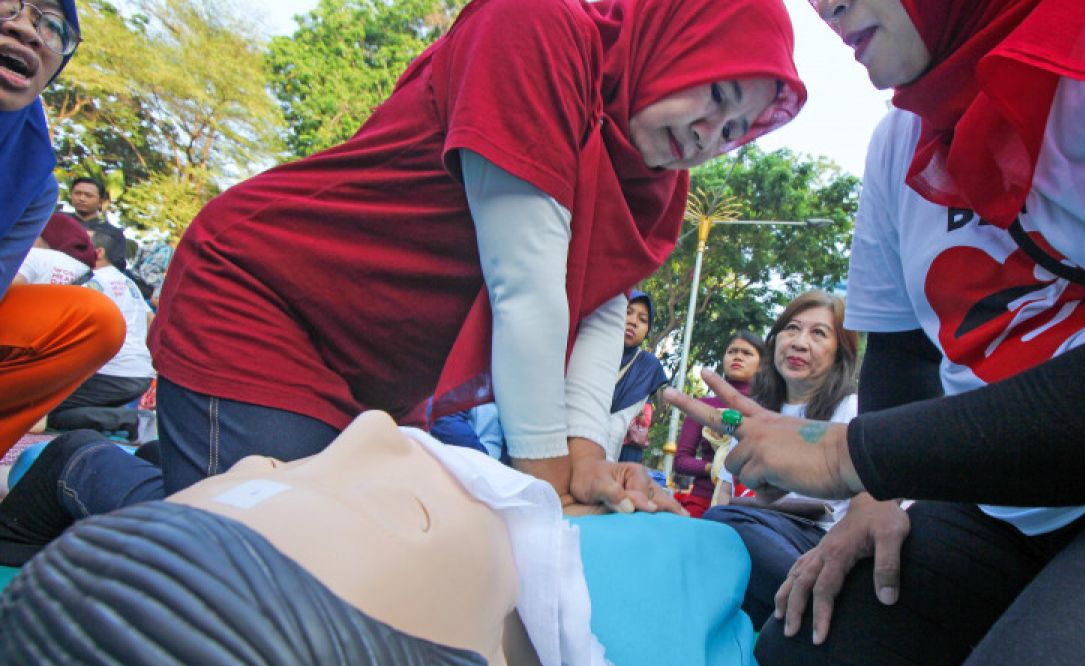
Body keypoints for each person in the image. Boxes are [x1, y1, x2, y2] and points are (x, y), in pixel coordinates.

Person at [667, 0, 1085, 666]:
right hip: (1000, 503)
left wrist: (850, 455)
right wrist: (877, 498)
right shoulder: (898, 140)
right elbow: (906, 354)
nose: (828, 7)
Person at [144, 0, 804, 518]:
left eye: (737, 129)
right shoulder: (534, 27)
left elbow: (602, 316)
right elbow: (528, 282)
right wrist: (550, 487)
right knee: (250, 564)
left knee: (359, 566)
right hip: (263, 302)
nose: (709, 134)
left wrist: (585, 462)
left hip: (377, 380)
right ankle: (82, 474)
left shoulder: (658, 175)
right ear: (674, 38)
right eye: (717, 94)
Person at [0, 410, 822, 666]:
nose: (369, 428)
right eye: (395, 507)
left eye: (285, 470)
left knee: (90, 466)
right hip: (753, 545)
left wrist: (583, 492)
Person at [0, 0, 125, 456]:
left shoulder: (34, 180)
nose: (29, 32)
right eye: (9, 6)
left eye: (52, 26)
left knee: (93, 321)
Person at [704, 293, 864, 628]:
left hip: (816, 540)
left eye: (819, 334)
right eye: (792, 329)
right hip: (747, 530)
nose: (800, 343)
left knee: (724, 528)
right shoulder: (752, 413)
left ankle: (836, 611)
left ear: (840, 352)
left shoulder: (852, 410)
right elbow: (726, 492)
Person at [46, 227, 154, 438]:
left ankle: (125, 419)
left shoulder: (92, 280)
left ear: (99, 252)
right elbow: (151, 319)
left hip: (113, 372)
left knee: (44, 407)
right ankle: (115, 417)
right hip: (139, 371)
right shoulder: (128, 282)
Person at [672, 328, 762, 517]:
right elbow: (681, 460)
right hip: (701, 501)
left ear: (762, 365)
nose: (737, 357)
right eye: (732, 352)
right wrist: (716, 468)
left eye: (747, 353)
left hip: (749, 505)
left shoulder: (767, 409)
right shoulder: (702, 406)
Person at [606, 290, 669, 463]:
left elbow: (618, 423)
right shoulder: (583, 348)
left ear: (647, 331)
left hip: (612, 457)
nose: (633, 322)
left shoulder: (648, 367)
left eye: (643, 320)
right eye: (627, 312)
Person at [67, 176, 128, 270]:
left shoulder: (113, 233)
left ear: (101, 201)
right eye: (77, 193)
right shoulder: (57, 221)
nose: (81, 198)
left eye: (88, 195)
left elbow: (118, 265)